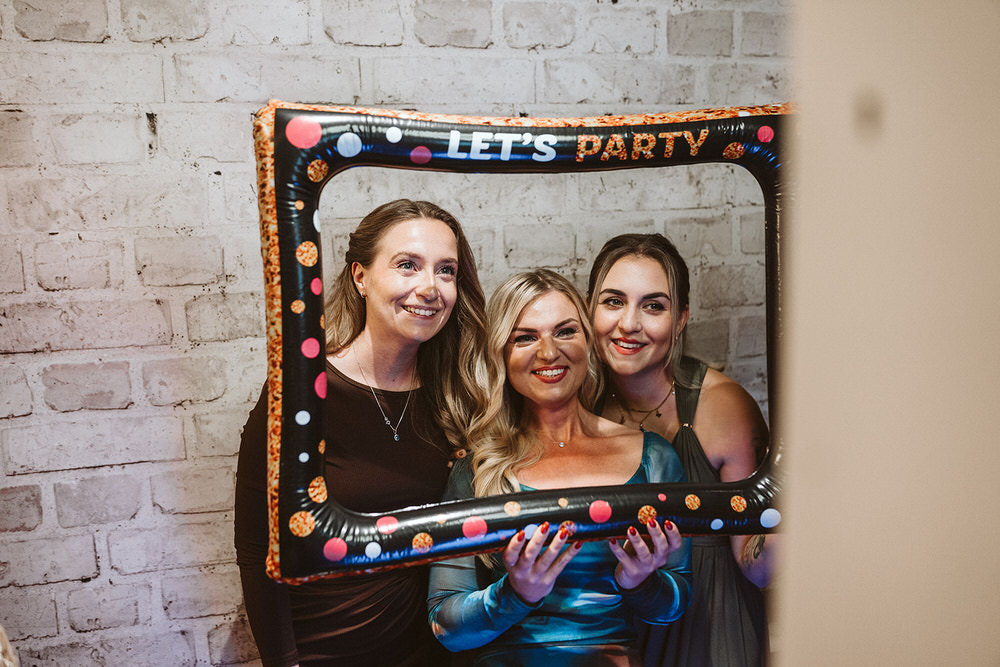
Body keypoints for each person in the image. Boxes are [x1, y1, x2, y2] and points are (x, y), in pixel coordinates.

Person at [235, 199, 487, 667]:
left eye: (446, 271)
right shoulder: (302, 393)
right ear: (360, 277)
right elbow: (257, 551)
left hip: (433, 653)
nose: (429, 287)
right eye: (407, 265)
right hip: (325, 652)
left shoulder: (457, 397)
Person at [428, 269, 692, 666]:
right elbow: (446, 629)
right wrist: (514, 594)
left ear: (588, 342)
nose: (549, 352)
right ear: (501, 354)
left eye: (565, 331)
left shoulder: (654, 457)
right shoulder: (477, 469)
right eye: (525, 337)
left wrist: (640, 582)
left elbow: (675, 606)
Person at [587, 233, 775, 667]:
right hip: (612, 633)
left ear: (681, 319)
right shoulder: (577, 402)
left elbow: (757, 566)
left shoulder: (721, 406)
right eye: (613, 301)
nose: (628, 324)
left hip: (707, 632)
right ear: (589, 308)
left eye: (653, 306)